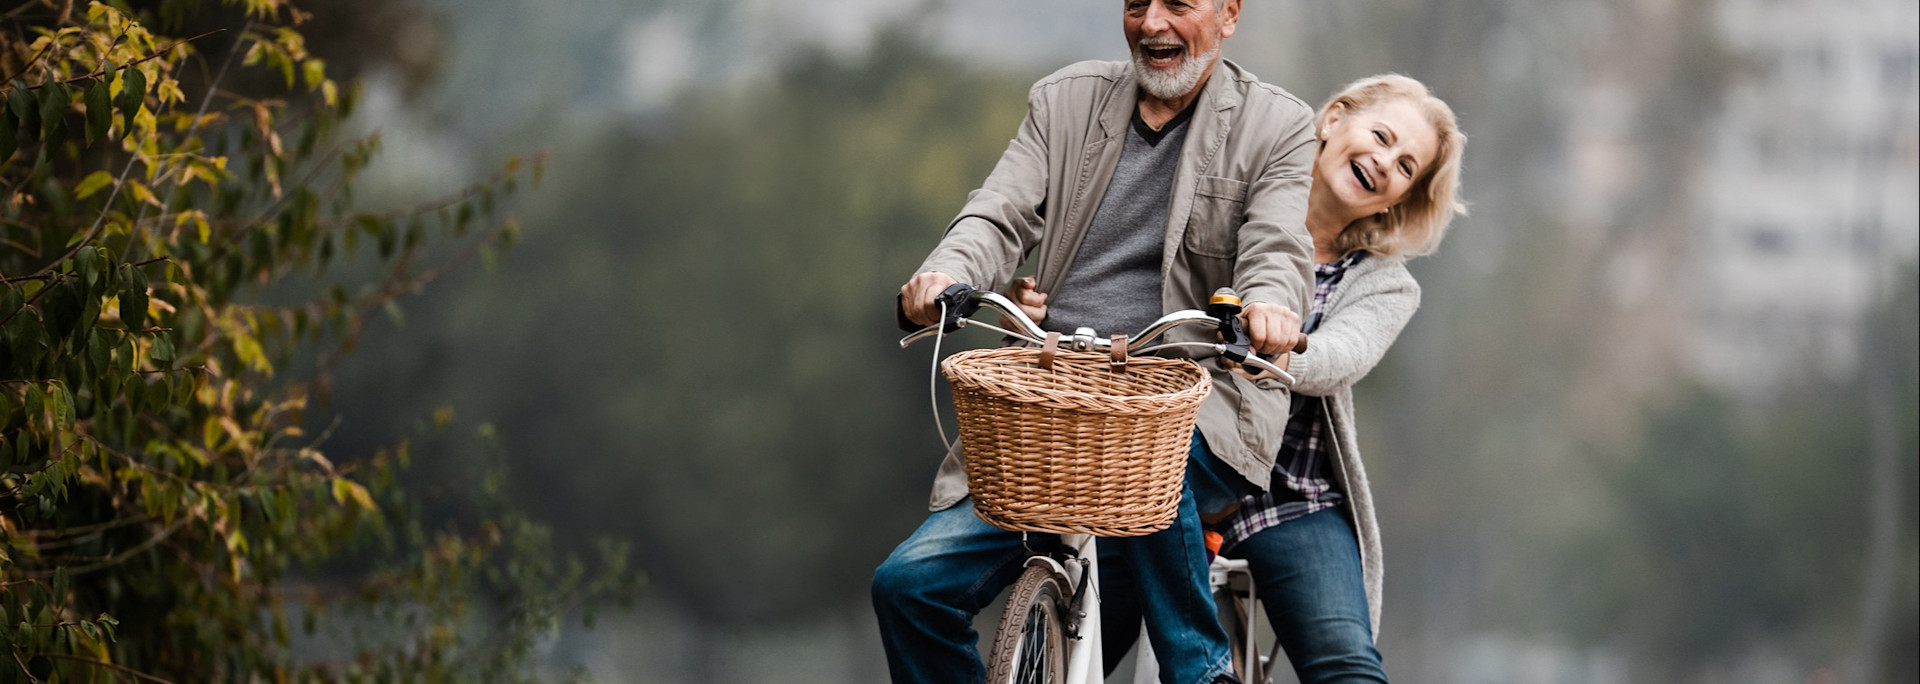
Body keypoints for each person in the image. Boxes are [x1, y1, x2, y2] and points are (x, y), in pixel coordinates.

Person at [871, 0, 1317, 682]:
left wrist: (1271, 306)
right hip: (1058, 401)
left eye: (1179, 4)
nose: (1153, 23)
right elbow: (998, 213)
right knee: (908, 588)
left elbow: (1278, 247)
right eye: (1137, 4)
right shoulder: (1065, 100)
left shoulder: (1278, 125)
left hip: (1194, 399)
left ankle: (1202, 670)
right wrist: (947, 273)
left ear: (1229, 14)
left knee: (1152, 462)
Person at [1209, 74, 1467, 682]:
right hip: (1187, 471)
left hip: (1294, 498)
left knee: (1346, 664)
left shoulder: (1387, 284)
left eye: (1405, 167)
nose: (1383, 164)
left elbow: (1337, 358)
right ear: (1333, 121)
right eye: (1379, 137)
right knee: (1086, 621)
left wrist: (1280, 347)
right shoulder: (1228, 210)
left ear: (1397, 200)